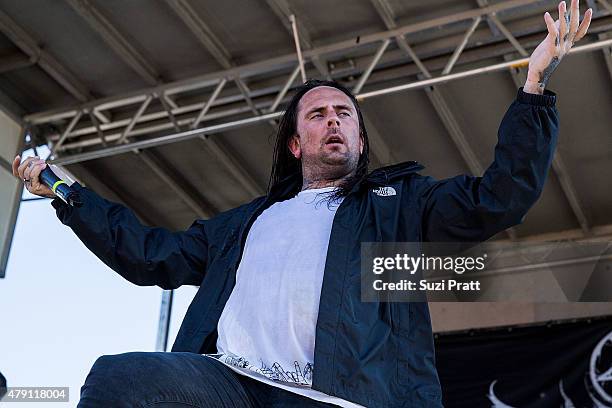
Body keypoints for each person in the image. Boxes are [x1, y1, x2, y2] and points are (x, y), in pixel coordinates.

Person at [12, 2, 592, 407]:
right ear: (296, 143)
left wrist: (534, 87)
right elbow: (147, 255)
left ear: (360, 140)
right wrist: (67, 193)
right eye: (318, 114)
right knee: (119, 379)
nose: (334, 120)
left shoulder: (395, 205)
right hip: (232, 385)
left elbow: (499, 198)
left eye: (345, 115)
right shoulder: (244, 224)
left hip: (338, 396)